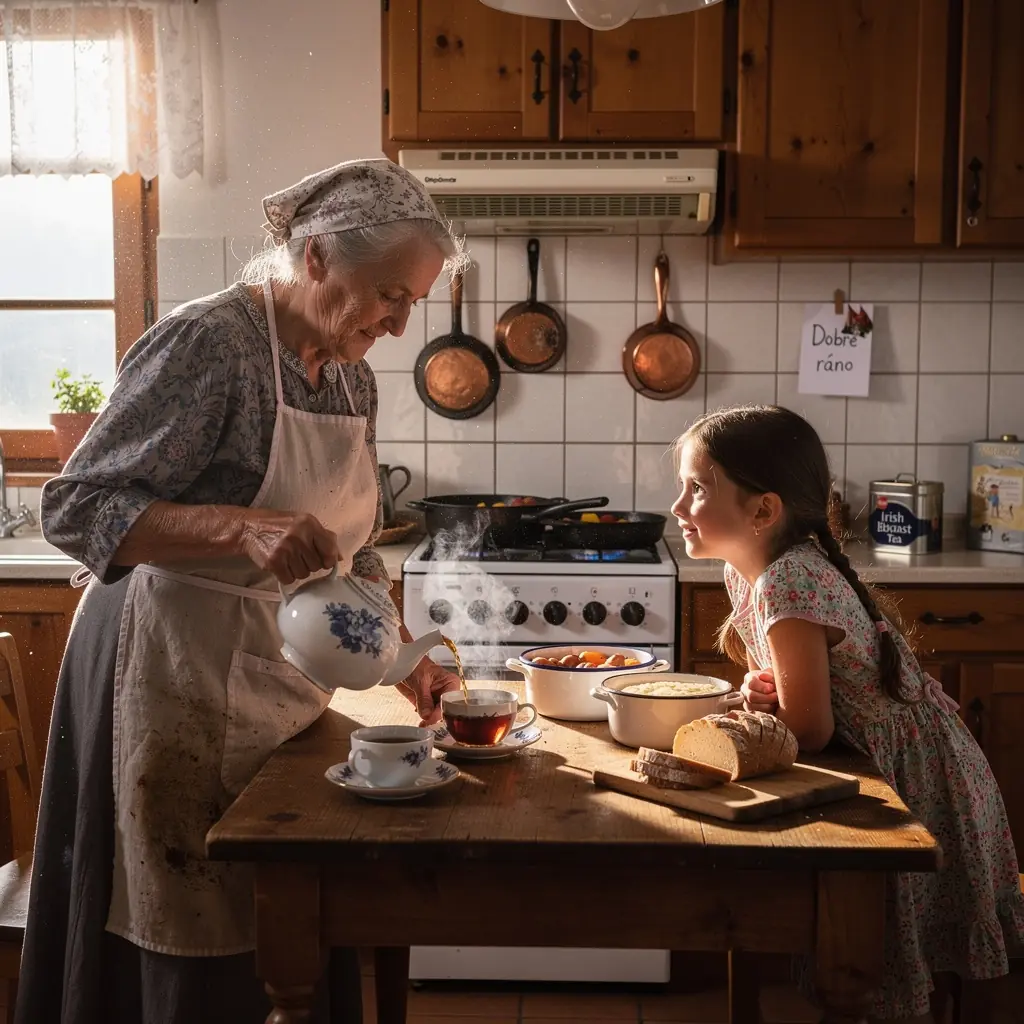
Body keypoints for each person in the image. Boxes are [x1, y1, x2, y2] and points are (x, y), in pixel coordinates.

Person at [17, 159, 465, 1024]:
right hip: (164, 672)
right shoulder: (209, 345)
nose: (401, 326)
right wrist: (237, 527)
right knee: (182, 906)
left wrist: (401, 653)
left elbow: (352, 551)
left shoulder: (349, 374)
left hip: (280, 686)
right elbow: (74, 507)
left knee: (288, 908)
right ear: (319, 259)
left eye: (413, 302)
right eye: (388, 295)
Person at [670, 404, 1024, 1023]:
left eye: (698, 488)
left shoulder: (787, 582)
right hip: (880, 761)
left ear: (763, 511)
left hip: (916, 777)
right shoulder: (743, 570)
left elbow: (810, 730)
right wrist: (767, 690)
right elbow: (802, 691)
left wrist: (766, 717)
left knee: (894, 950)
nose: (677, 506)